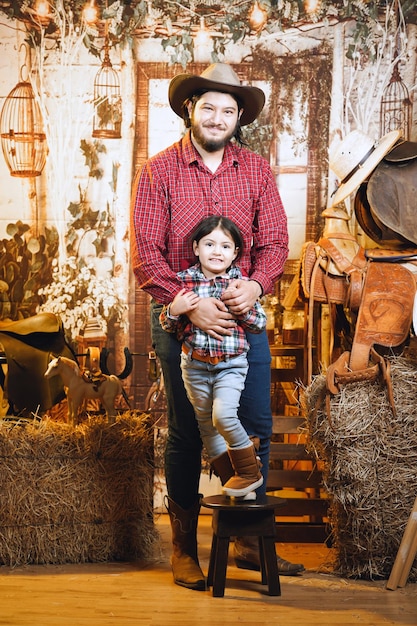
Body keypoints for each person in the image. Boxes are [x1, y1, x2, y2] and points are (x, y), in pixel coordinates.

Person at [131, 62, 305, 591]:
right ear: (190, 109)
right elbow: (147, 253)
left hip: (242, 321)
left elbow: (274, 242)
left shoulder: (254, 170)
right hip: (182, 323)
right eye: (208, 106)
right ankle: (184, 547)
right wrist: (187, 304)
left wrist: (255, 286)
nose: (217, 117)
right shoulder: (159, 171)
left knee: (254, 424)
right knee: (188, 433)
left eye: (228, 110)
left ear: (238, 118)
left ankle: (248, 540)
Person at [160, 215, 266, 499]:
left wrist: (243, 306)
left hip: (230, 366)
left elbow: (258, 324)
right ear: (196, 248)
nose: (217, 251)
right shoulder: (182, 283)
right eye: (209, 244)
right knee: (207, 426)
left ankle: (249, 472)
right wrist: (175, 308)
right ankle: (237, 483)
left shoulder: (240, 285)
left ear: (235, 253)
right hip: (194, 366)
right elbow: (168, 325)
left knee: (223, 415)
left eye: (225, 246)